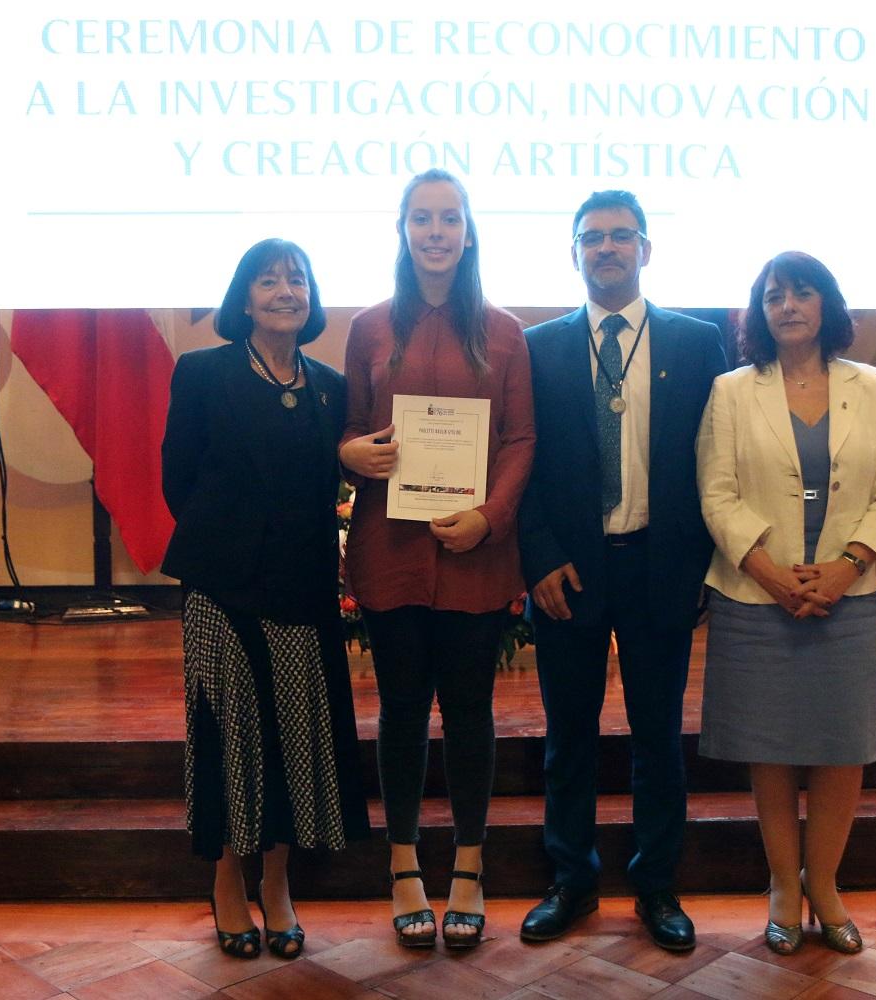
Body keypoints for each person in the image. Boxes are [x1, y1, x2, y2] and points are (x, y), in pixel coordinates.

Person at [518, 190, 727, 952]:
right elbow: (521, 463)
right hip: (566, 573)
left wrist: (705, 564)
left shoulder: (698, 343)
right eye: (592, 238)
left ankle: (656, 884)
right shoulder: (535, 348)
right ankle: (571, 881)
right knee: (568, 734)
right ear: (573, 253)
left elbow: (719, 461)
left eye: (621, 236)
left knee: (657, 735)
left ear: (646, 249)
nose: (606, 248)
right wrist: (537, 556)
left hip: (659, 567)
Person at [694, 251, 876, 954]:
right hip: (757, 599)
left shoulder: (874, 387)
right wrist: (768, 571)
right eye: (774, 295)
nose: (788, 306)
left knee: (841, 748)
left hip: (846, 597)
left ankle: (825, 884)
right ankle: (784, 887)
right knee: (773, 749)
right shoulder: (732, 390)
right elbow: (716, 493)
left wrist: (848, 568)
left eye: (802, 292)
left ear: (827, 305)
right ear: (760, 312)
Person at [339, 169, 535, 950]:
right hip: (392, 553)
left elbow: (521, 440)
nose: (435, 232)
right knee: (400, 714)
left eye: (448, 218)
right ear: (403, 230)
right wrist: (352, 453)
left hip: (473, 558)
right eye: (421, 219)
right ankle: (403, 866)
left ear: (468, 231)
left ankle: (470, 868)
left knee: (471, 715)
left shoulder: (504, 332)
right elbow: (351, 430)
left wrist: (489, 518)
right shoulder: (368, 329)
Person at [160, 238, 369, 961]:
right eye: (269, 280)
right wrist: (229, 542)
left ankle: (276, 886)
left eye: (298, 279)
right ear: (243, 298)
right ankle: (226, 882)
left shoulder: (330, 386)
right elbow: (177, 482)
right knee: (229, 740)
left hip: (303, 590)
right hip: (222, 589)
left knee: (294, 742)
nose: (287, 290)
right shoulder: (202, 372)